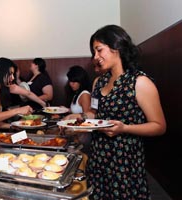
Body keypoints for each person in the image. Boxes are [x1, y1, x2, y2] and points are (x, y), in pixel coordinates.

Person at [65, 25, 166, 199]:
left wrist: (124, 128)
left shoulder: (139, 82)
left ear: (116, 47)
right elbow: (96, 115)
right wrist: (76, 119)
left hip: (124, 163)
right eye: (94, 52)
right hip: (98, 158)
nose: (95, 57)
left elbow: (159, 126)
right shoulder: (99, 82)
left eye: (99, 50)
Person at [65, 65, 92, 149]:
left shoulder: (84, 94)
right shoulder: (77, 93)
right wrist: (67, 110)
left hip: (83, 137)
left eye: (74, 82)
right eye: (70, 81)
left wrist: (72, 130)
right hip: (77, 134)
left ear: (81, 81)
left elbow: (87, 118)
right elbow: (77, 110)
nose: (71, 84)